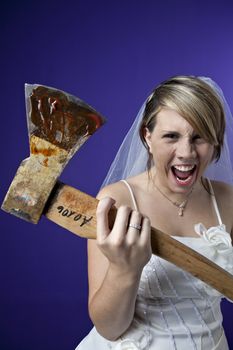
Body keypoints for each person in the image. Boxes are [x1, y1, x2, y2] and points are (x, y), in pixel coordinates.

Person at [76, 76, 233, 350]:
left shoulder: (228, 201)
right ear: (147, 137)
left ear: (216, 141)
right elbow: (110, 328)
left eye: (200, 137)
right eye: (171, 136)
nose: (186, 153)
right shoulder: (116, 202)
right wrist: (125, 269)